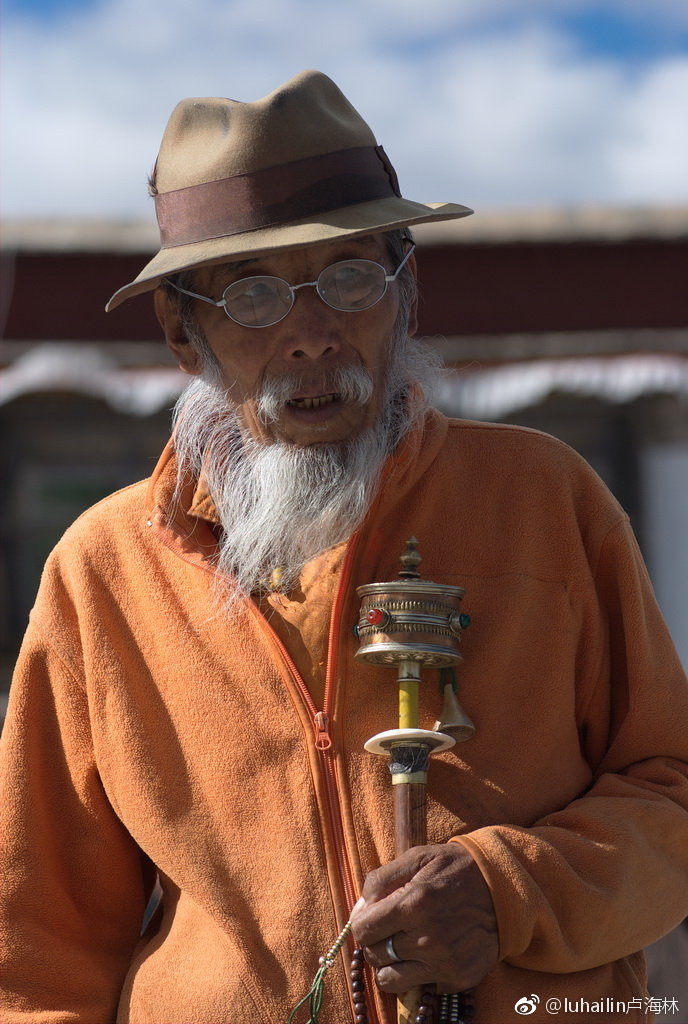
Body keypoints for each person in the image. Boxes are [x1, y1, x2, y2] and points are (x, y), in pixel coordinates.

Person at [1, 69, 687, 1024]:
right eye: (252, 296)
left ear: (407, 289)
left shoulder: (543, 500)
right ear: (180, 331)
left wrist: (507, 892)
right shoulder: (104, 573)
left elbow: (674, 797)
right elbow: (37, 955)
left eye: (351, 276)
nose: (312, 336)